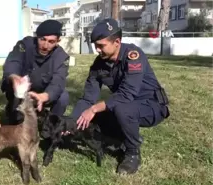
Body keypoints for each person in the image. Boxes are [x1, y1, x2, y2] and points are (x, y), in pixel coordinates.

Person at [69, 18, 170, 174]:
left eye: (101, 46)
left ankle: (132, 153)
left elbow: (127, 93)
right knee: (90, 115)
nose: (97, 49)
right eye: (95, 45)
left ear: (117, 42)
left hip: (152, 106)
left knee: (119, 108)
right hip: (125, 106)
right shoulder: (99, 64)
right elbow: (88, 98)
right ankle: (121, 139)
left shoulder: (133, 55)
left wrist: (95, 108)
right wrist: (71, 121)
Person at [1, 19, 70, 124]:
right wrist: (13, 76)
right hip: (20, 91)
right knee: (14, 123)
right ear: (36, 36)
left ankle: (51, 126)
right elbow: (13, 62)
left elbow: (58, 81)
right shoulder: (25, 45)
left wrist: (44, 96)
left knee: (63, 97)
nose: (45, 46)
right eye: (42, 39)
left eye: (51, 42)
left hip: (42, 94)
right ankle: (13, 112)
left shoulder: (61, 57)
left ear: (58, 41)